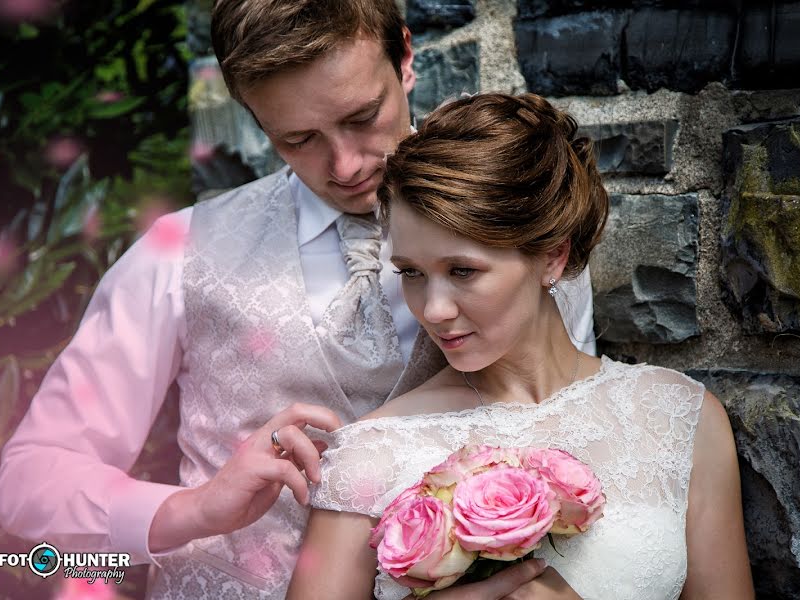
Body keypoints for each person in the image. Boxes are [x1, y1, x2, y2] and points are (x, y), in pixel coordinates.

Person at [0, 2, 595, 598]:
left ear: (405, 58)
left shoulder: (526, 232)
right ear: (257, 121)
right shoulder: (174, 254)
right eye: (298, 139)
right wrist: (194, 510)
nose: (346, 164)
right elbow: (28, 479)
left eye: (363, 116)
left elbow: (578, 450)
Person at [285, 93, 755, 600]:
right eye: (412, 273)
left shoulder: (682, 418)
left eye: (462, 270)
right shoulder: (370, 452)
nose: (433, 308)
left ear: (552, 257)